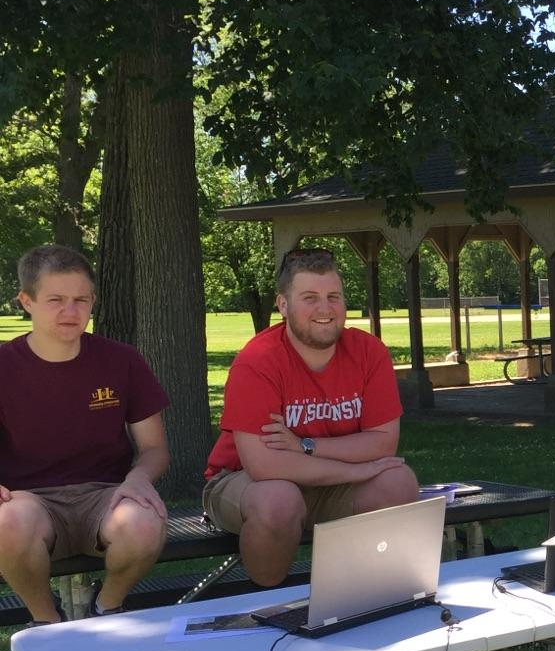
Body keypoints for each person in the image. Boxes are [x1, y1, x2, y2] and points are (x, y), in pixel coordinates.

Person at [203, 248, 418, 586]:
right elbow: (264, 465)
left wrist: (304, 445)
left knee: (398, 482)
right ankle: (266, 604)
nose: (325, 309)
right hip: (243, 481)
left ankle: (358, 594)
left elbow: (383, 441)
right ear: (283, 305)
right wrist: (354, 469)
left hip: (322, 477)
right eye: (310, 298)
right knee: (279, 501)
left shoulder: (368, 351)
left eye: (334, 297)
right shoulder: (258, 360)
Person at [0, 244, 170, 623]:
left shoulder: (121, 360)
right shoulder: (4, 366)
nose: (70, 311)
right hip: (30, 502)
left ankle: (106, 610)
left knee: (143, 522)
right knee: (6, 523)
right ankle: (46, 623)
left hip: (107, 496)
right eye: (55, 299)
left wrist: (140, 478)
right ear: (26, 301)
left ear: (93, 301)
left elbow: (154, 447)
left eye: (81, 299)